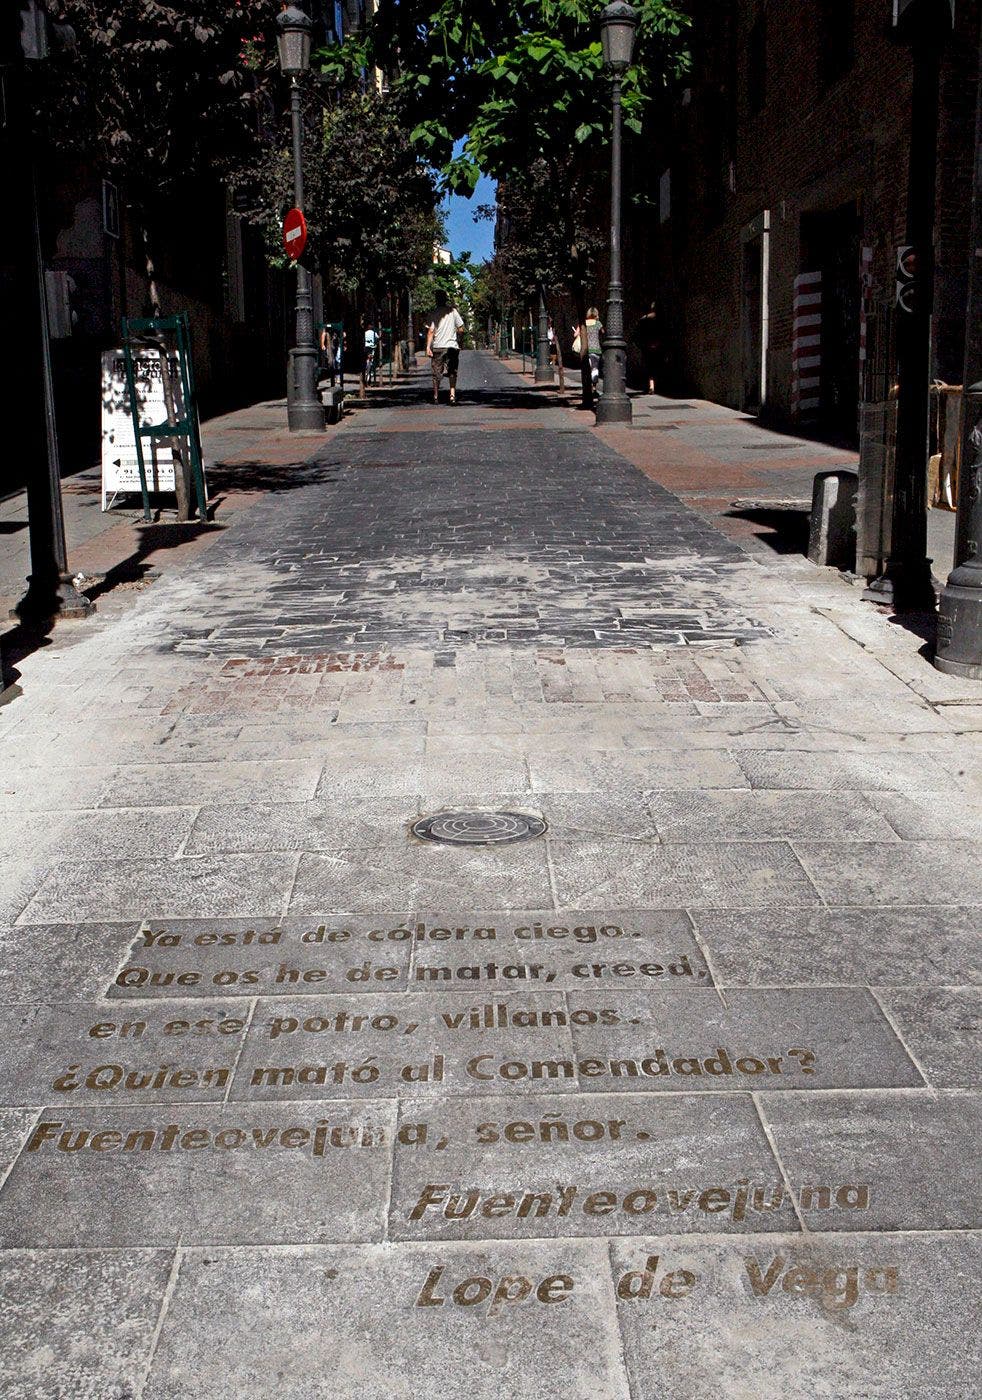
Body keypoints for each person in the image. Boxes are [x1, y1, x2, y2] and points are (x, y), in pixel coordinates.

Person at [426, 291, 465, 404]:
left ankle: (436, 396)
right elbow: (461, 328)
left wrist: (428, 347)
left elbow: (431, 331)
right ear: (446, 299)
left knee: (436, 373)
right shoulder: (453, 312)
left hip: (438, 346)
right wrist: (458, 339)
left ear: (436, 300)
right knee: (452, 371)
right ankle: (452, 395)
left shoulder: (433, 313)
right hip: (452, 346)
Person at [633, 301, 661, 394]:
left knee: (648, 365)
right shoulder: (660, 319)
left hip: (646, 345)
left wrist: (639, 344)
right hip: (657, 344)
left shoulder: (643, 320)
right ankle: (655, 385)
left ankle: (650, 385)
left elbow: (637, 333)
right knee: (656, 365)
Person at [585, 306, 604, 390]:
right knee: (595, 368)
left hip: (586, 349)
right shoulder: (597, 323)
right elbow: (603, 332)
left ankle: (587, 386)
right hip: (596, 349)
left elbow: (577, 334)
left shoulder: (584, 323)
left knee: (587, 368)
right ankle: (594, 387)